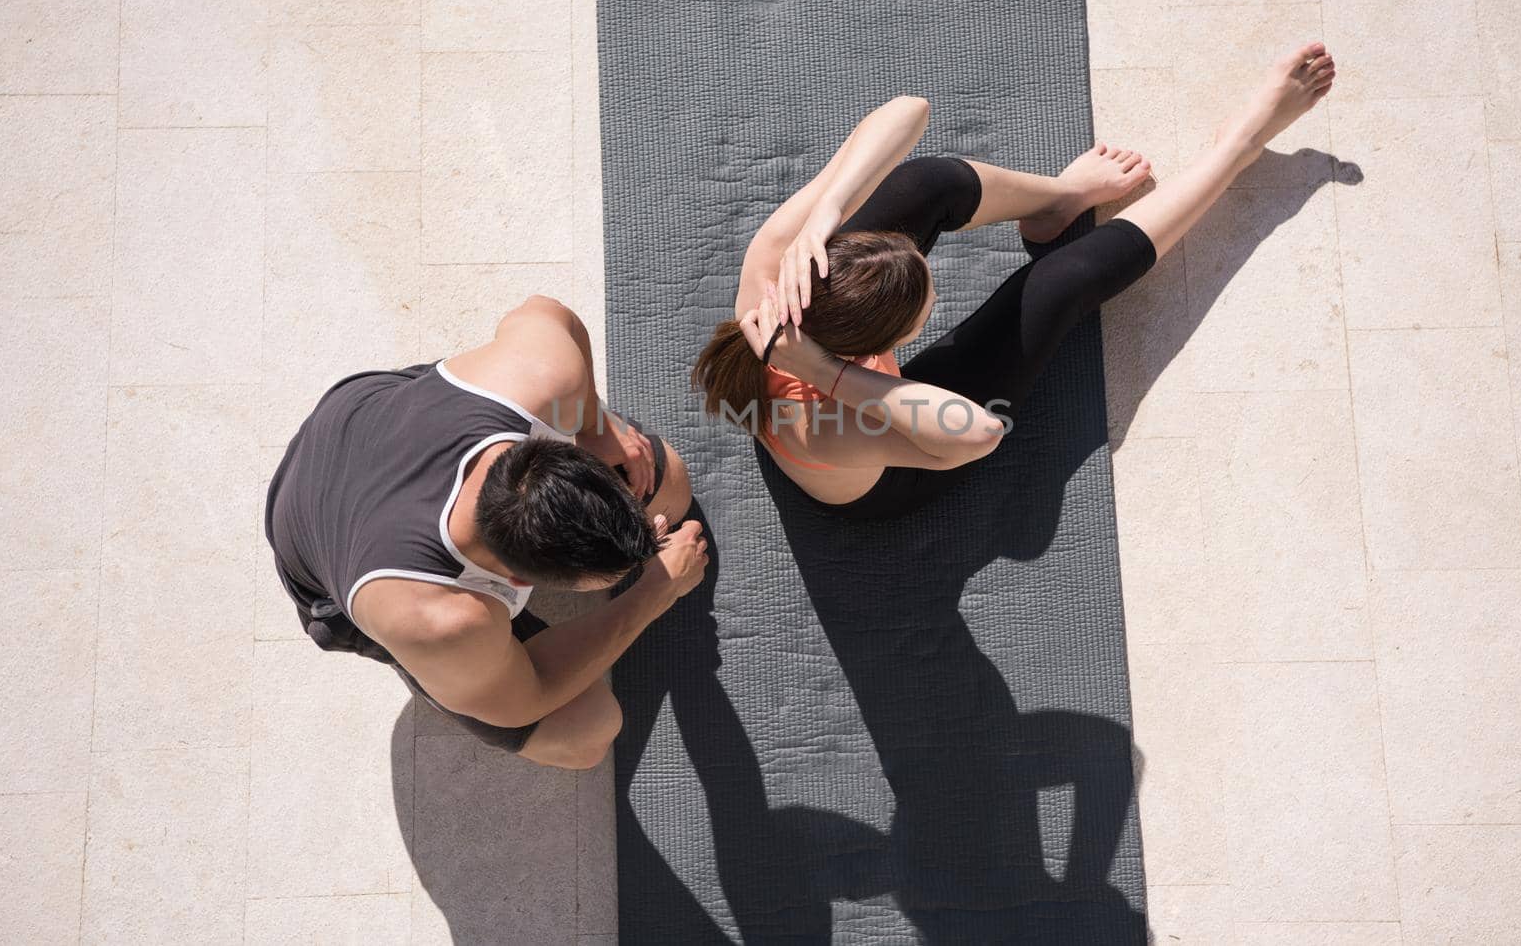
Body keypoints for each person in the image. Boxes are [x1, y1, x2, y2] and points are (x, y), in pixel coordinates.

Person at [694, 42, 1337, 518]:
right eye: (926, 303)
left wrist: (825, 212)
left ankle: (1059, 200)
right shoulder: (825, 426)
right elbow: (975, 434)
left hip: (834, 349)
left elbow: (906, 112)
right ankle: (1238, 146)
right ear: (879, 348)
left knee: (929, 185)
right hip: (904, 456)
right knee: (1054, 288)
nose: (937, 286)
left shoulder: (778, 260)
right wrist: (828, 373)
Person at [264, 294, 708, 768]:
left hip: (368, 419)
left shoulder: (544, 377)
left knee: (670, 485)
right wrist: (652, 593)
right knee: (588, 732)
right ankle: (441, 679)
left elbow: (548, 313)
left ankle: (467, 674)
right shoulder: (441, 620)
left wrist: (597, 421)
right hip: (320, 542)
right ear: (518, 584)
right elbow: (529, 693)